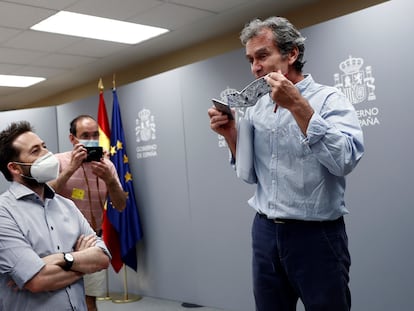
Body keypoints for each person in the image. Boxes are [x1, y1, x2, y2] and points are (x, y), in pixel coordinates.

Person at [208, 17, 364, 311]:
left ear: (291, 54)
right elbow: (249, 175)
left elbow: (344, 161)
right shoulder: (257, 108)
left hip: (317, 236)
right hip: (265, 233)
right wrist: (231, 135)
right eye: (251, 59)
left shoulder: (331, 99)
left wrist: (298, 106)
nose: (255, 67)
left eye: (262, 56)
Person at [0, 121, 111, 311]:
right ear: (15, 168)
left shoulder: (67, 205)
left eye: (44, 146)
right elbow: (37, 280)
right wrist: (81, 262)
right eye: (35, 151)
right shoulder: (4, 213)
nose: (47, 154)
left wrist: (62, 259)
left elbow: (102, 259)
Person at [48, 114, 126, 311]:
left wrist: (110, 180)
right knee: (58, 301)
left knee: (89, 302)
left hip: (92, 243)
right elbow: (43, 197)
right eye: (85, 135)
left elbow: (121, 204)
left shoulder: (107, 165)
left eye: (94, 135)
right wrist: (71, 169)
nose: (91, 140)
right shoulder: (57, 162)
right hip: (59, 246)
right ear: (72, 139)